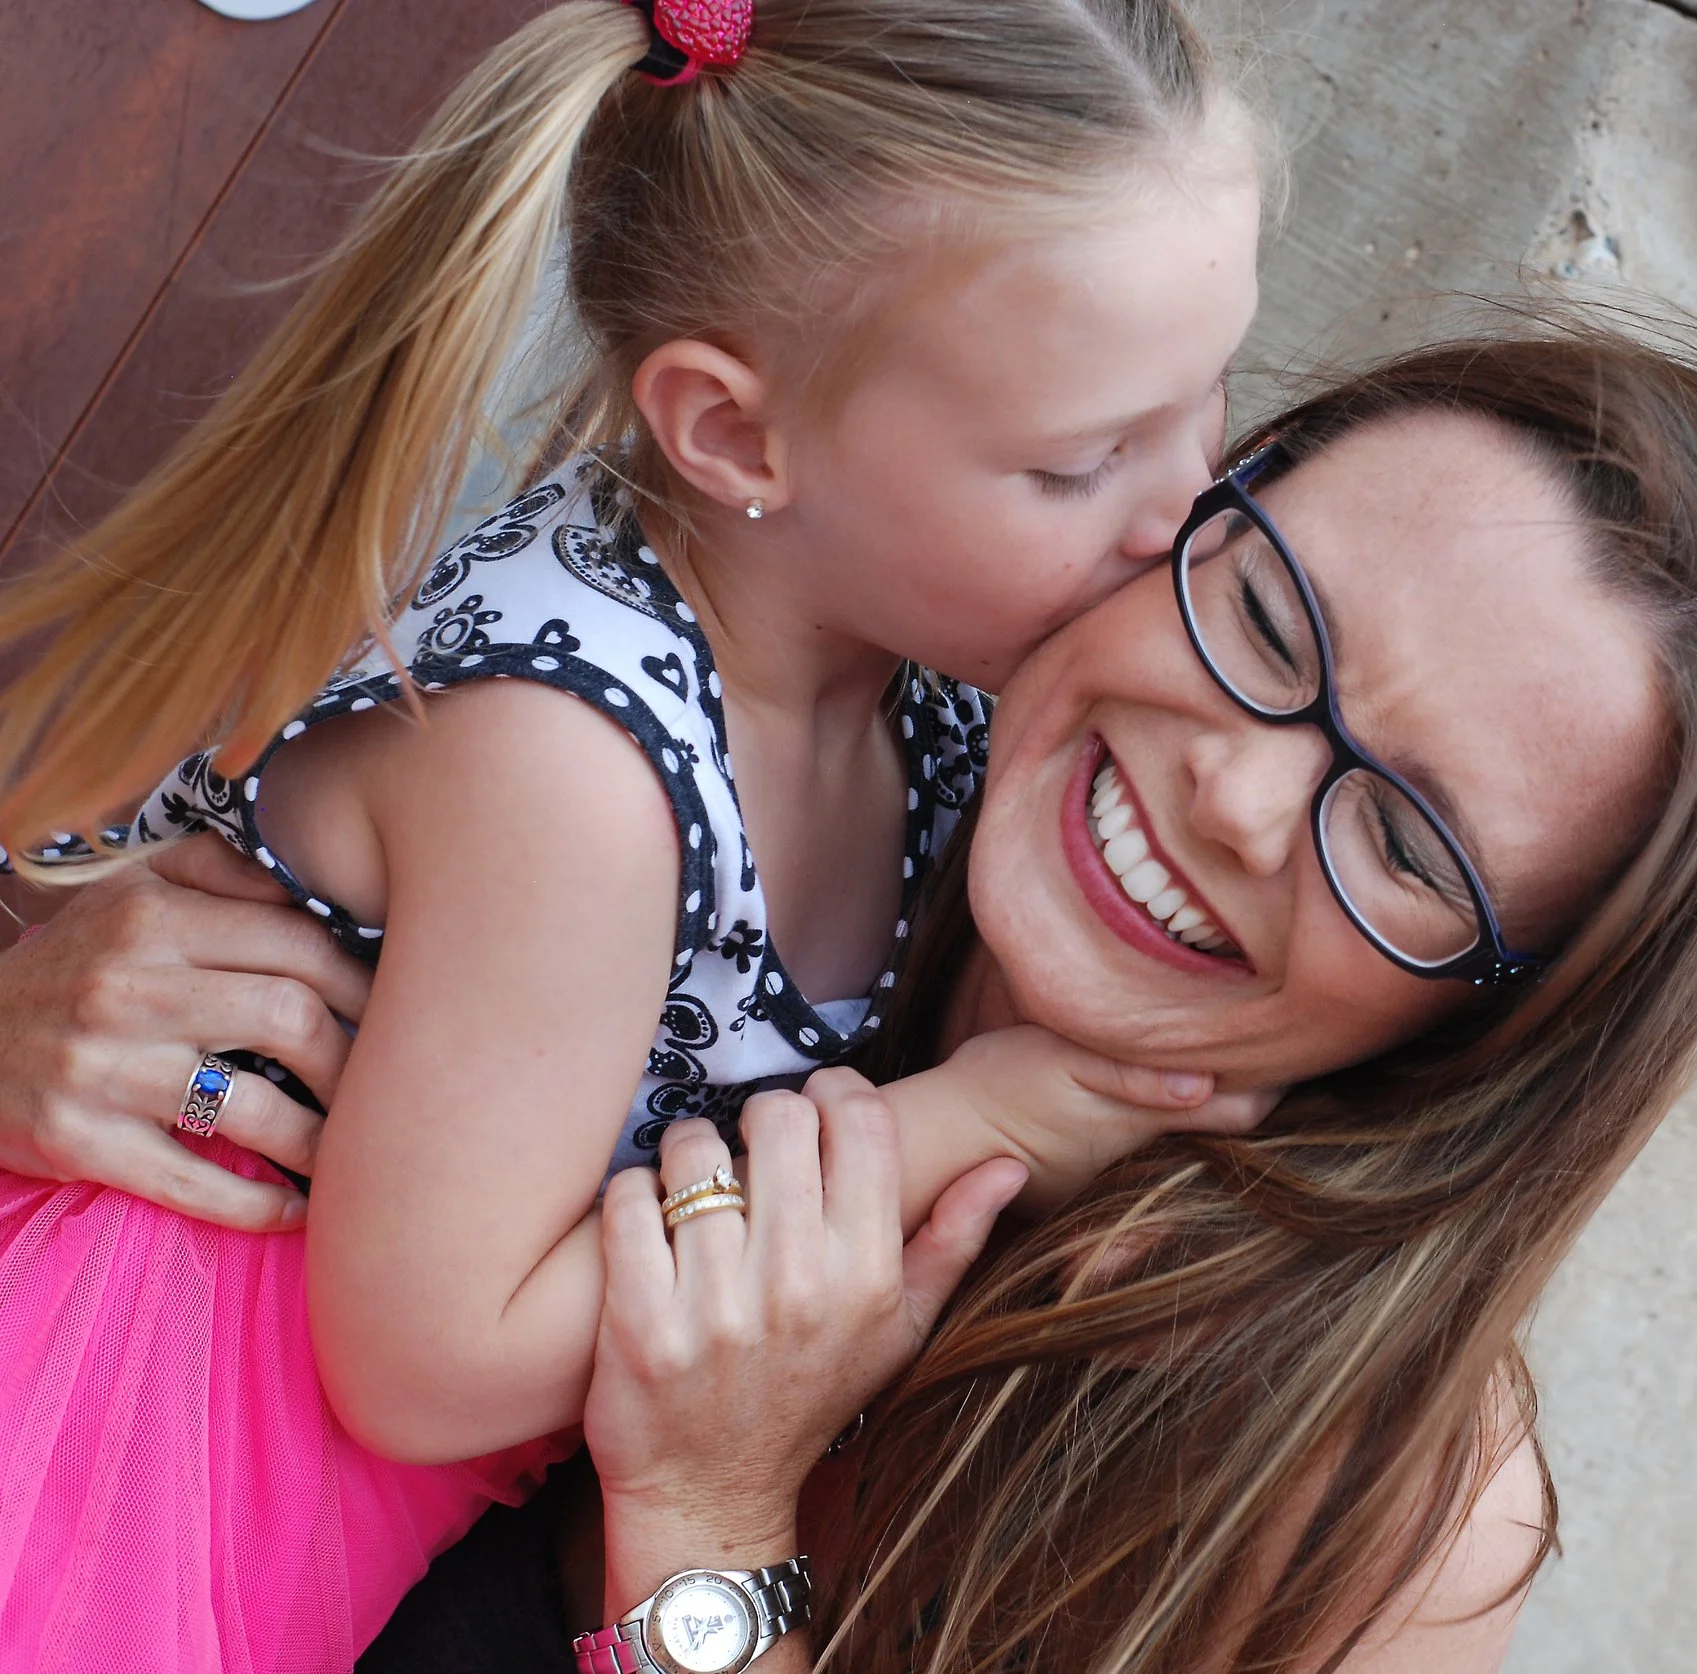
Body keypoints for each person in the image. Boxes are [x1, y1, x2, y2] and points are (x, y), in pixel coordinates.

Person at [3, 322, 1697, 1671]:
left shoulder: (1370, 1506)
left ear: (1496, 1025)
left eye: (1404, 846)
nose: (1238, 793)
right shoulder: (772, 770)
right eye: (1265, 620)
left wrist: (711, 1540)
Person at [0, 0, 1272, 1666]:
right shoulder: (574, 765)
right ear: (738, 434)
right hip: (142, 1453)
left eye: (1216, 393)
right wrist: (972, 1118)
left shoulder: (936, 686)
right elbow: (424, 1357)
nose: (1184, 511)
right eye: (1086, 459)